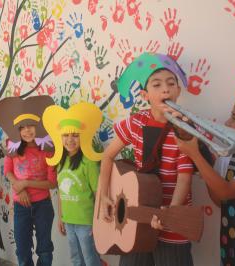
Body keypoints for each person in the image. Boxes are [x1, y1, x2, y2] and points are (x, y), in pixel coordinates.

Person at [99, 52, 195, 266]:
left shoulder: (185, 128)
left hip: (172, 222)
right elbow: (107, 156)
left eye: (171, 84)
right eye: (157, 85)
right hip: (138, 217)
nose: (165, 89)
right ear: (145, 95)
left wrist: (169, 213)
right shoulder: (136, 122)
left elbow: (184, 180)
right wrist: (103, 195)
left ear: (178, 91)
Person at [172, 90, 235, 266]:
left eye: (234, 118)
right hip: (229, 246)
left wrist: (195, 155)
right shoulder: (228, 154)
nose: (226, 123)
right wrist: (201, 153)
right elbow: (219, 200)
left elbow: (226, 192)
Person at [0, 96, 57, 266]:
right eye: (23, 127)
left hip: (42, 205)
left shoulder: (47, 149)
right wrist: (19, 188)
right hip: (21, 206)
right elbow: (7, 171)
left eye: (31, 126)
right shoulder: (12, 147)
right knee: (22, 249)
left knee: (44, 249)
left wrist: (26, 183)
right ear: (17, 129)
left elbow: (52, 183)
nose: (27, 131)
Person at [42, 102, 103, 266]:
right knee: (75, 259)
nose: (70, 140)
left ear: (82, 136)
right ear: (60, 137)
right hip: (69, 221)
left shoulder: (88, 162)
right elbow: (62, 193)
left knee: (90, 259)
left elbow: (99, 193)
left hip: (86, 222)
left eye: (75, 135)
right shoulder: (61, 162)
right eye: (66, 135)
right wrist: (61, 217)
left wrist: (98, 222)